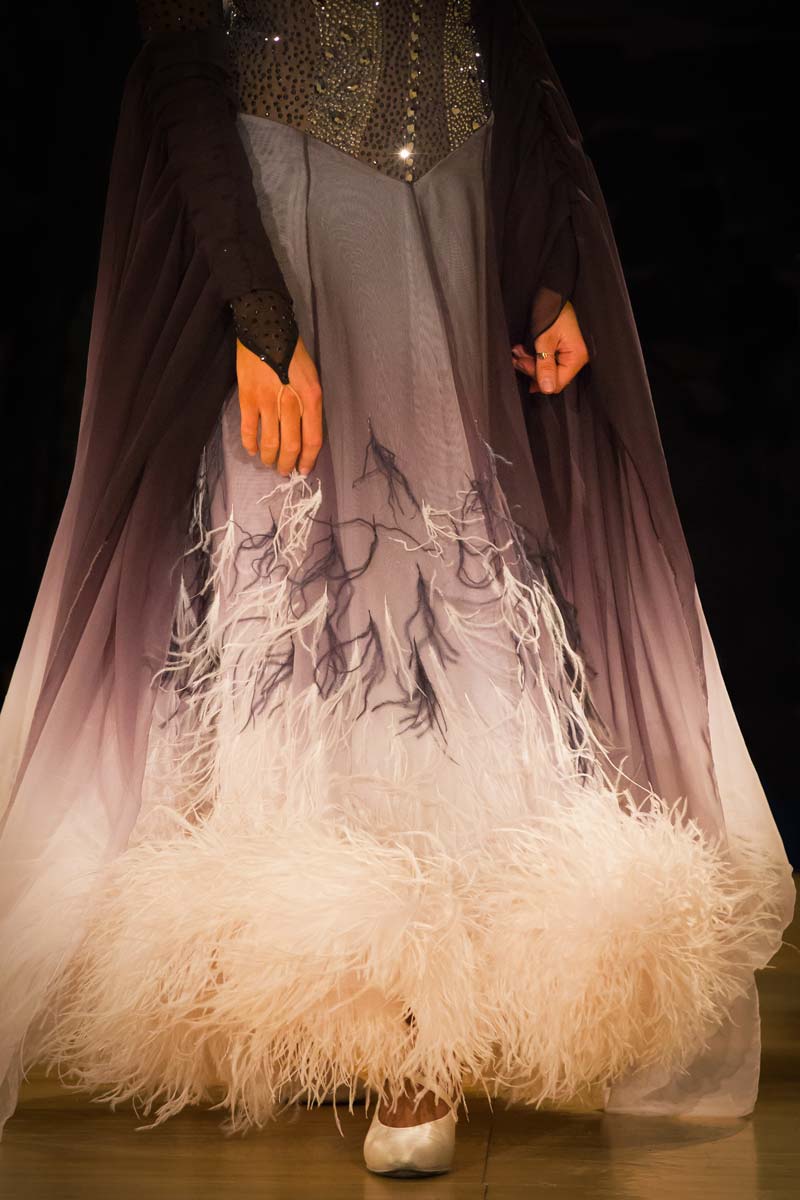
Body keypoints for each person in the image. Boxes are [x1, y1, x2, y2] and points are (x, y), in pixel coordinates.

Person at [0, 0, 794, 1180]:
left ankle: (429, 1024)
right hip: (290, 210)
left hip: (455, 205)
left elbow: (501, 36)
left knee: (447, 590)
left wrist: (544, 265)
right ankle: (354, 999)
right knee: (311, 589)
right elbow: (180, 57)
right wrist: (255, 308)